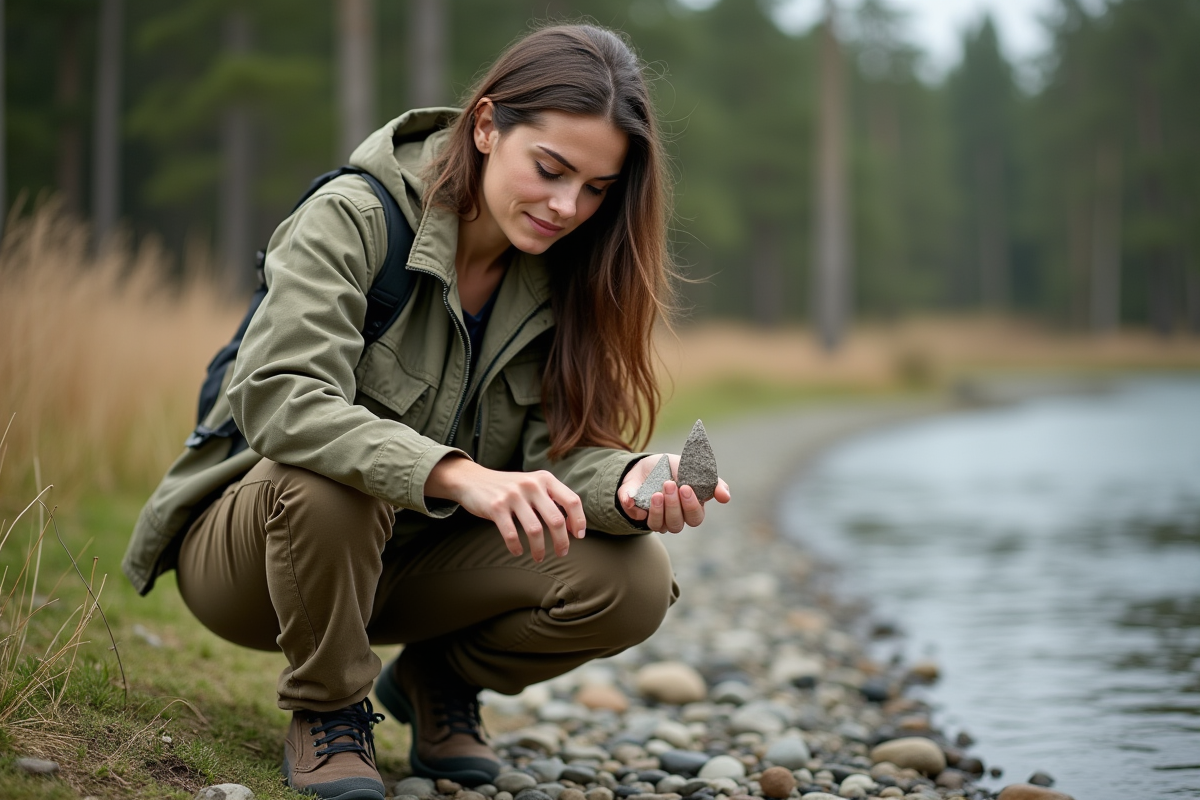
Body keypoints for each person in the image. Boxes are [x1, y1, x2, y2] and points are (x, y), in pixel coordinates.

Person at [124, 23, 730, 800]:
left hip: (415, 569)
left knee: (634, 578)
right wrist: (453, 473)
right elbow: (279, 398)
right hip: (257, 559)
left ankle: (434, 681)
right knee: (335, 481)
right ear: (485, 126)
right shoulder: (355, 217)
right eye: (550, 169)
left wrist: (629, 482)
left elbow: (559, 458)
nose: (567, 206)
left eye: (596, 189)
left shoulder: (566, 276)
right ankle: (327, 709)